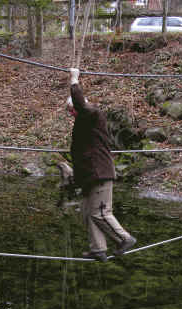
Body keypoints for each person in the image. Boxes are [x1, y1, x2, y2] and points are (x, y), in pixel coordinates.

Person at [66, 67, 136, 262]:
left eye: (72, 110)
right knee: (88, 213)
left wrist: (74, 79)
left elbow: (81, 104)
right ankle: (98, 249)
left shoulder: (93, 115)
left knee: (100, 212)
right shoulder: (84, 123)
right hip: (89, 177)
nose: (72, 114)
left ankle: (125, 238)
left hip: (99, 174)